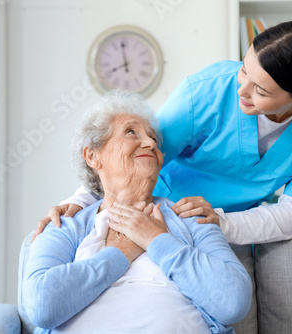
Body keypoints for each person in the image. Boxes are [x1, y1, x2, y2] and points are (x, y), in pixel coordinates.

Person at [34, 21, 292, 245]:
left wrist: (221, 223)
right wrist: (79, 202)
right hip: (156, 212)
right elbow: (137, 154)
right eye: (244, 69)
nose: (241, 89)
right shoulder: (206, 91)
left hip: (231, 228)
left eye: (259, 89)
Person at [24, 90, 252, 334]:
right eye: (131, 132)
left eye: (153, 137)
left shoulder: (192, 217)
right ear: (92, 155)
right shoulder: (65, 225)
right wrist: (122, 252)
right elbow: (41, 306)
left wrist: (156, 240)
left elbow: (233, 303)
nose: (151, 143)